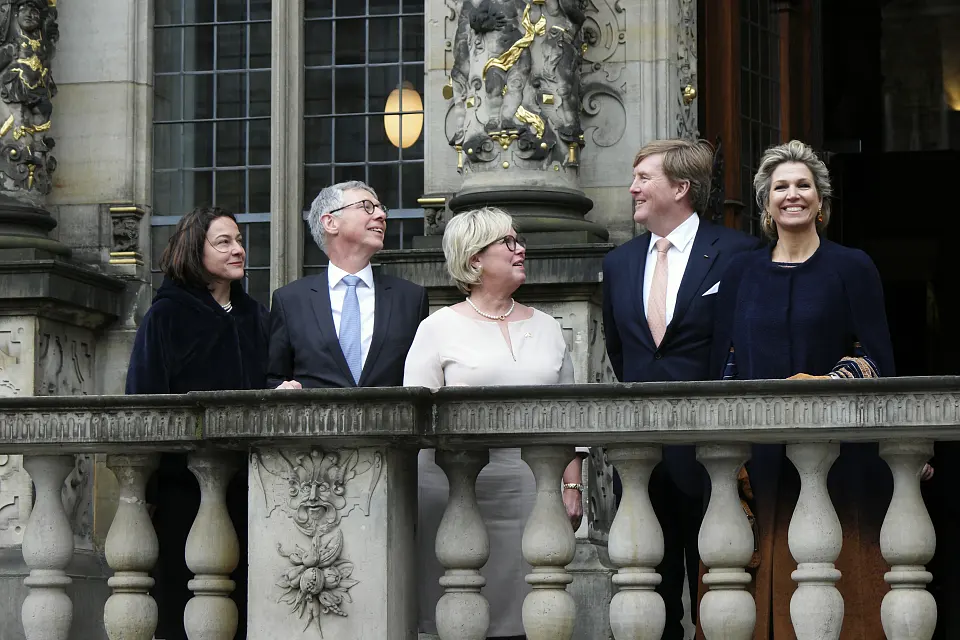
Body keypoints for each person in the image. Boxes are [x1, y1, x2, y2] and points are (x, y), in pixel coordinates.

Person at [711, 140, 931, 639]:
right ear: (766, 201)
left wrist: (822, 386)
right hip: (759, 459)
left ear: (821, 200)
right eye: (781, 187)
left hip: (841, 457)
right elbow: (724, 363)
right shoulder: (740, 272)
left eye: (803, 185)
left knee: (844, 590)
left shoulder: (852, 266)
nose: (793, 195)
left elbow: (877, 357)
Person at [601, 138, 761, 640]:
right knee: (650, 600)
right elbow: (624, 354)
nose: (633, 188)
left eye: (644, 178)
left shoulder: (738, 253)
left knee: (723, 599)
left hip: (715, 453)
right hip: (641, 458)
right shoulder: (620, 263)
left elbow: (746, 349)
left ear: (682, 187)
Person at [404, 206, 585, 640]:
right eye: (508, 242)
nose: (521, 248)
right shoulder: (436, 328)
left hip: (532, 492)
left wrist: (573, 486)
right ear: (474, 259)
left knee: (533, 609)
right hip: (455, 494)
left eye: (518, 240)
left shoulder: (546, 328)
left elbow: (572, 414)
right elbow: (415, 420)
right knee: (461, 611)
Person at [125, 206, 276, 640]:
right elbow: (144, 406)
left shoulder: (256, 318)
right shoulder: (166, 316)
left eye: (239, 240)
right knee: (183, 611)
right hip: (181, 492)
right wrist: (148, 492)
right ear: (195, 250)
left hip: (251, 492)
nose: (238, 250)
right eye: (224, 242)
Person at [267, 181, 428, 389]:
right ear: (330, 222)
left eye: (381, 208)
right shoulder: (290, 301)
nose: (381, 215)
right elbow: (274, 379)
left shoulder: (410, 298)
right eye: (367, 207)